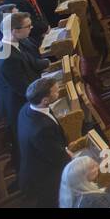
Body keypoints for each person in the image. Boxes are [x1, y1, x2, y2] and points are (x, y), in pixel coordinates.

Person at [0, 9, 48, 143]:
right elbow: (25, 90)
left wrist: (49, 64)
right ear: (14, 31)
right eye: (28, 26)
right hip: (19, 107)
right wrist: (48, 90)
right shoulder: (8, 59)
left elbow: (32, 63)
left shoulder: (14, 43)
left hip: (26, 93)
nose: (31, 28)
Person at [17, 77, 70, 207]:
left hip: (42, 161)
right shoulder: (41, 129)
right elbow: (58, 158)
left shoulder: (27, 107)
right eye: (56, 92)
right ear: (45, 100)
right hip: (45, 176)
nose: (58, 92)